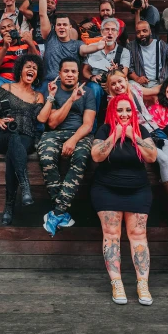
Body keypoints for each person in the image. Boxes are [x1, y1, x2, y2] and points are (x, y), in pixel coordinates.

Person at [90, 94, 158, 306]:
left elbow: (152, 156)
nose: (124, 114)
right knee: (111, 234)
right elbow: (96, 155)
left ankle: (142, 284)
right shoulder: (104, 130)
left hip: (138, 190)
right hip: (107, 189)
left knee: (138, 234)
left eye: (128, 110)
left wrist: (131, 135)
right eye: (120, 110)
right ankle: (117, 283)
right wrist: (115, 135)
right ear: (112, 111)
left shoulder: (141, 130)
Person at [103, 70, 168, 226]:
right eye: (113, 84)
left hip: (155, 129)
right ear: (109, 87)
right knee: (164, 161)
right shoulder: (113, 100)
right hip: (140, 133)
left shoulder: (135, 87)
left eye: (120, 81)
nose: (118, 86)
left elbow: (155, 89)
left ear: (125, 79)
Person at [0, 55, 53, 226]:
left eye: (35, 67)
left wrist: (51, 96)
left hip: (26, 137)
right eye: (28, 66)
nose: (31, 69)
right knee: (12, 137)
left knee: (14, 147)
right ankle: (24, 185)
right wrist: (0, 121)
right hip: (2, 134)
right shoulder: (6, 87)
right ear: (20, 69)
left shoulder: (37, 96)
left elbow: (41, 119)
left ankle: (9, 205)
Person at [38, 58, 95, 233]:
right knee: (46, 156)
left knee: (80, 156)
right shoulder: (53, 92)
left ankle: (57, 211)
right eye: (66, 71)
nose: (70, 74)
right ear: (60, 74)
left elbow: (88, 124)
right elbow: (52, 123)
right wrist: (71, 100)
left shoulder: (88, 92)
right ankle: (61, 211)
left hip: (79, 133)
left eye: (73, 71)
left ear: (78, 74)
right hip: (54, 134)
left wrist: (73, 140)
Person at [79, 18, 130, 111]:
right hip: (97, 83)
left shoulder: (124, 52)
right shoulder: (92, 48)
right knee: (93, 88)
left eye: (113, 30)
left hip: (115, 84)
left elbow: (124, 72)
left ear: (117, 33)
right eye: (107, 29)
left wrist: (116, 71)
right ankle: (92, 121)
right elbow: (85, 70)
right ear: (102, 32)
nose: (110, 32)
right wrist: (92, 77)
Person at [0, 18, 39, 90]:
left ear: (16, 27)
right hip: (3, 80)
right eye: (3, 28)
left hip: (24, 80)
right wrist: (5, 47)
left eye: (9, 26)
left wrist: (30, 43)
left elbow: (37, 62)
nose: (7, 29)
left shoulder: (27, 41)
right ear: (0, 32)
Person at [127, 20, 168, 88]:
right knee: (129, 85)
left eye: (144, 31)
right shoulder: (131, 46)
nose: (141, 34)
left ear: (150, 31)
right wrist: (137, 79)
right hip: (141, 84)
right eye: (138, 32)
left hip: (160, 82)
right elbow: (129, 68)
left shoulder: (160, 44)